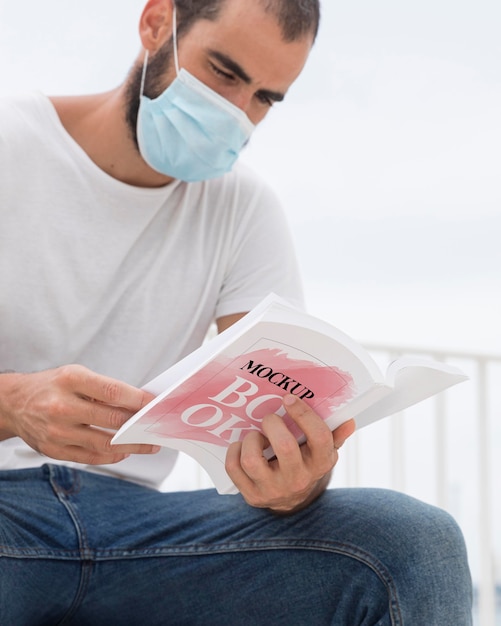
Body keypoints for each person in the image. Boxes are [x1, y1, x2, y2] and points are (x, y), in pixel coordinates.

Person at [0, 0, 473, 624]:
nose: (236, 114)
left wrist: (291, 482)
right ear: (156, 25)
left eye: (265, 98)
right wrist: (12, 406)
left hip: (137, 531)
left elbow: (272, 412)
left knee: (412, 544)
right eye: (223, 73)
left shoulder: (245, 210)